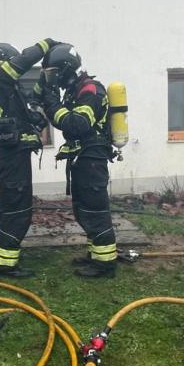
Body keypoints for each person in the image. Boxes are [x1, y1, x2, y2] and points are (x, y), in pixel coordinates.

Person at [0, 39, 58, 277]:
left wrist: (34, 118)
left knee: (7, 206)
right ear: (2, 62)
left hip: (11, 154)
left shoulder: (1, 87)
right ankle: (5, 264)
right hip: (14, 155)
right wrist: (48, 44)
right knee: (18, 209)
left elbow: (14, 113)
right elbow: (25, 60)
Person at [39, 43, 118, 278]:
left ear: (65, 69)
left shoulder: (91, 90)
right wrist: (51, 104)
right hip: (81, 157)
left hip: (92, 158)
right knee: (83, 209)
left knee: (95, 210)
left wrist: (52, 102)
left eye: (53, 73)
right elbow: (65, 121)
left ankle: (105, 264)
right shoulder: (75, 90)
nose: (52, 79)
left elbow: (77, 124)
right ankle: (96, 254)